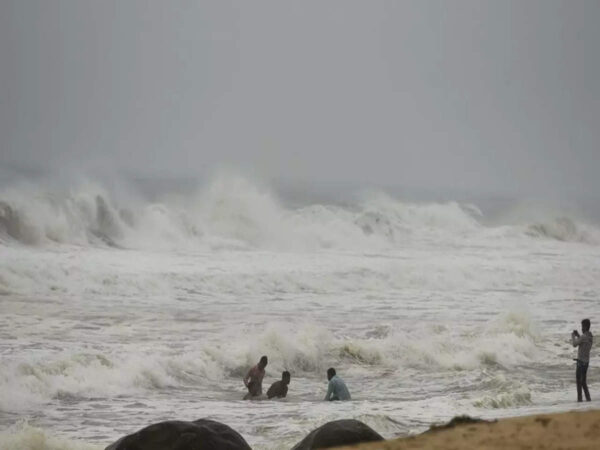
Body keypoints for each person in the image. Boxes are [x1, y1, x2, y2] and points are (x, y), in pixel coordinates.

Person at [572, 319, 593, 402]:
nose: (581, 328)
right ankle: (588, 399)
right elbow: (583, 342)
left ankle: (579, 399)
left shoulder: (584, 336)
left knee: (578, 382)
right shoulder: (590, 336)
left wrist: (573, 336)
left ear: (585, 327)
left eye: (582, 326)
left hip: (580, 362)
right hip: (586, 362)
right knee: (583, 382)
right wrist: (578, 336)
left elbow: (574, 344)